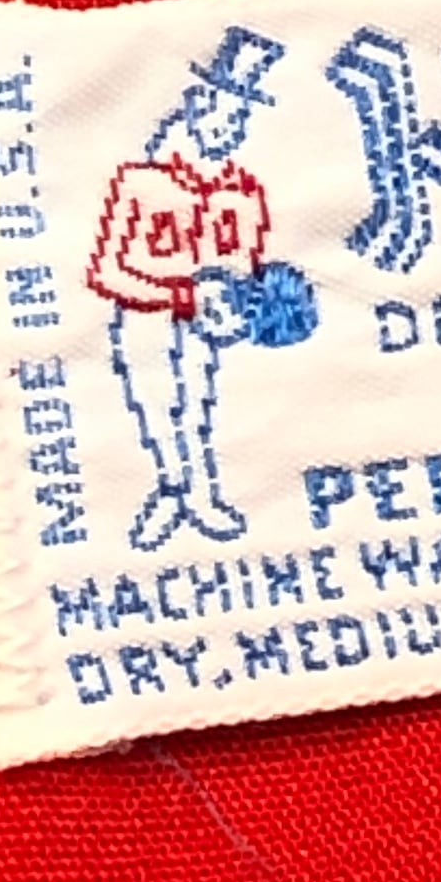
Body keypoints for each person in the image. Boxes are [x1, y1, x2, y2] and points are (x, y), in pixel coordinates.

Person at [86, 27, 285, 550]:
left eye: (242, 119)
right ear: (199, 108)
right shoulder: (141, 184)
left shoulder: (241, 197)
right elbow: (107, 272)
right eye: (229, 115)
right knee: (155, 406)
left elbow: (246, 271)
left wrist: (252, 309)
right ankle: (176, 491)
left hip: (204, 327)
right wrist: (183, 295)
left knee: (195, 407)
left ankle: (195, 496)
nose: (235, 129)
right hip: (144, 319)